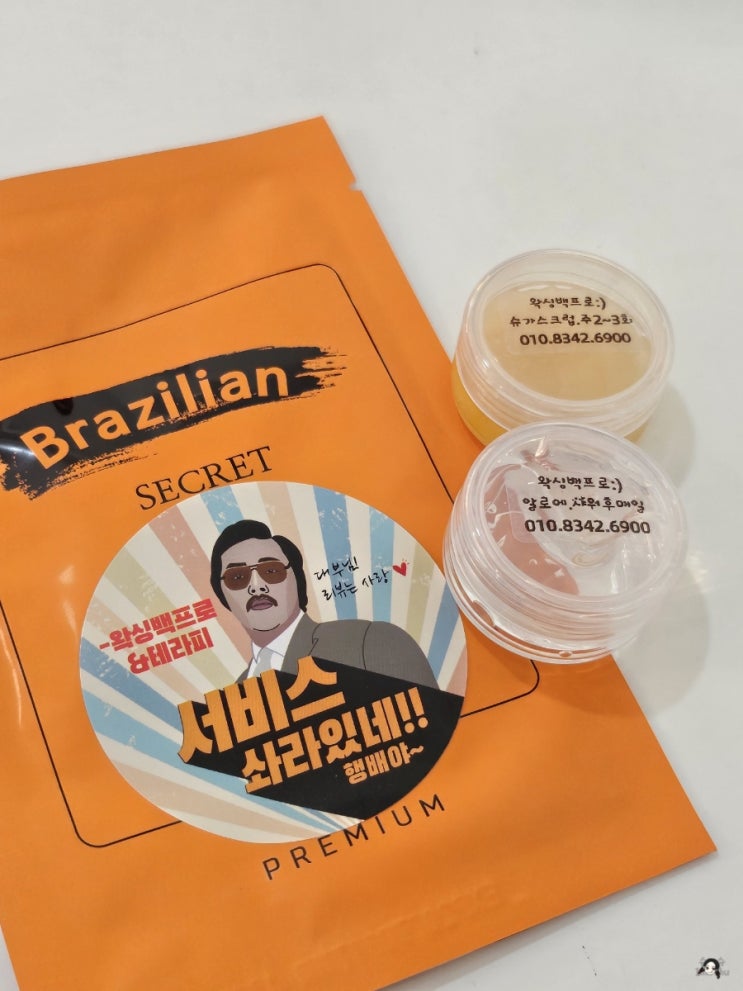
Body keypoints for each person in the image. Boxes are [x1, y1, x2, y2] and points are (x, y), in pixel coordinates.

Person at [209, 519, 439, 689]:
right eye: (237, 577)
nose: (257, 587)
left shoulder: (370, 642)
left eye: (271, 571)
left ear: (297, 580)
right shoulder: (233, 698)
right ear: (223, 595)